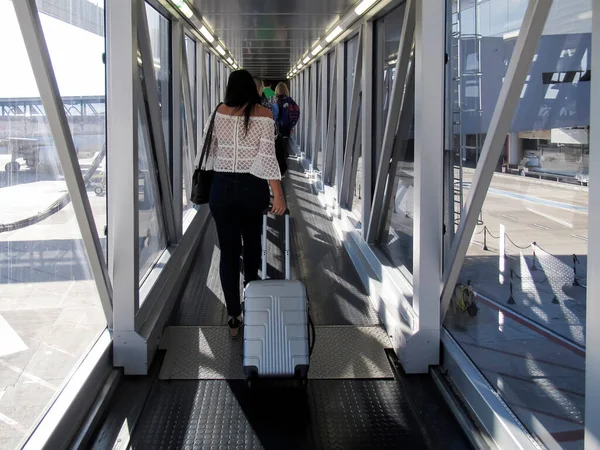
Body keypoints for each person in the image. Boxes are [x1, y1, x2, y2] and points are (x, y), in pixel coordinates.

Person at [198, 70, 286, 338]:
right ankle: (253, 303)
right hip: (252, 188)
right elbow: (268, 159)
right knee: (252, 248)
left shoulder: (218, 113)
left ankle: (233, 316)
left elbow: (208, 150)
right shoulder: (264, 115)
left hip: (222, 189)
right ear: (252, 89)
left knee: (228, 251)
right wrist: (278, 195)